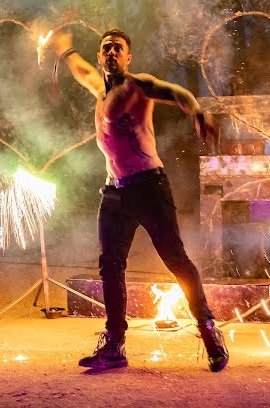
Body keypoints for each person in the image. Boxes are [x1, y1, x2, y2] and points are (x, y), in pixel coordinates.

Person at [50, 28, 229, 372]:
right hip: (114, 190)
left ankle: (208, 330)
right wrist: (64, 48)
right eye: (106, 49)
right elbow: (79, 68)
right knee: (110, 265)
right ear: (101, 56)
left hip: (148, 185)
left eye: (118, 48)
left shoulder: (137, 84)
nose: (112, 52)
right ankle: (114, 344)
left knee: (175, 259)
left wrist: (197, 112)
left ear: (128, 57)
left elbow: (178, 92)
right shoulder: (97, 87)